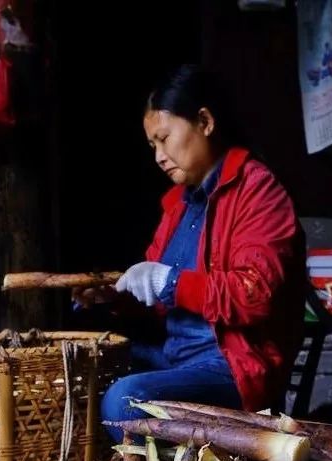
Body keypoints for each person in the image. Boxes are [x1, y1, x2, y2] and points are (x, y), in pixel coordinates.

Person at [74, 63, 306, 438]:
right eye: (152, 145)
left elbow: (255, 295)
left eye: (164, 138)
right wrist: (114, 298)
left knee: (123, 400)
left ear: (204, 121)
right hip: (175, 356)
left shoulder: (259, 191)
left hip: (232, 368)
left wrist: (169, 280)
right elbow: (163, 302)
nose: (159, 156)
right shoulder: (178, 206)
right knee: (83, 373)